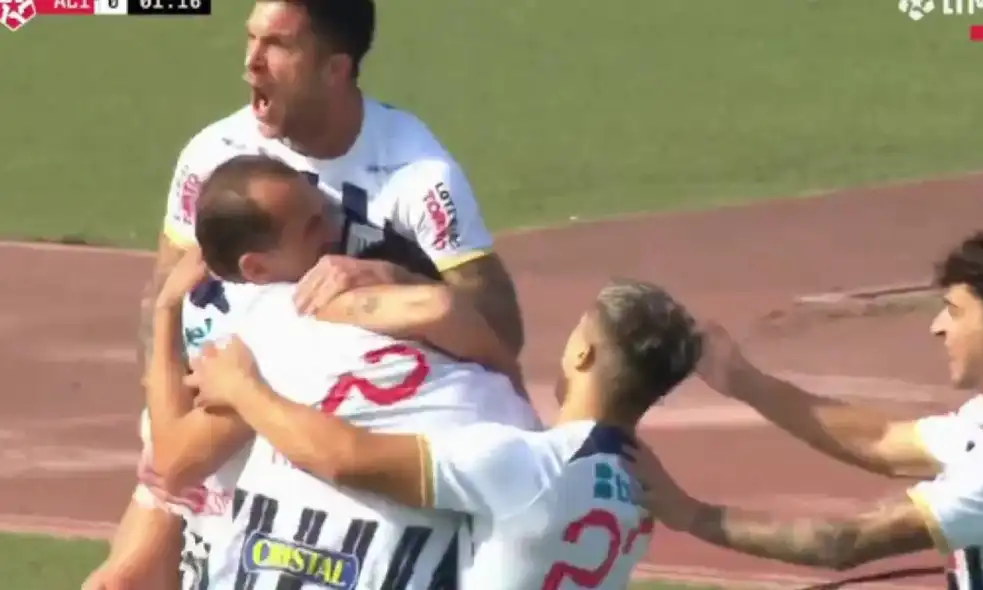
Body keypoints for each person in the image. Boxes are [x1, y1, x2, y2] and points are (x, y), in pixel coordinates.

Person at [105, 155, 536, 590]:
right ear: (256, 268)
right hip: (506, 484)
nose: (335, 229)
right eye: (311, 226)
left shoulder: (267, 325)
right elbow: (173, 464)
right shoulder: (283, 315)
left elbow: (171, 463)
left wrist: (167, 312)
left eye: (325, 211)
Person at [183, 278, 703, 589]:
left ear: (582, 355)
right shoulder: (639, 497)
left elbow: (343, 458)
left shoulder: (526, 465)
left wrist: (244, 387)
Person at [138, 0, 523, 380]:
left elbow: (502, 330)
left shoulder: (418, 175)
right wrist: (162, 418)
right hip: (243, 399)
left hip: (382, 400)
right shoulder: (214, 155)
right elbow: (164, 295)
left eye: (278, 45)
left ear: (335, 69)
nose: (252, 62)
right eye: (251, 38)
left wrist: (391, 277)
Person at [629, 230, 983, 589]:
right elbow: (880, 441)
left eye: (955, 311)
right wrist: (742, 380)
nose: (938, 327)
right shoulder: (982, 421)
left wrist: (689, 514)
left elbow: (843, 542)